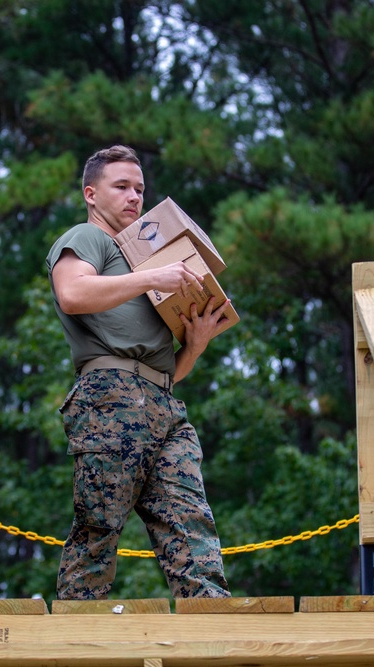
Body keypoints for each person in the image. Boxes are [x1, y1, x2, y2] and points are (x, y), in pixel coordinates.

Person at [46, 145, 231, 600]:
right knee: (100, 526)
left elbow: (169, 371)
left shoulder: (146, 260)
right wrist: (153, 278)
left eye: (140, 189)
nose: (135, 197)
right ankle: (78, 638)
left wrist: (197, 343)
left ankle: (211, 624)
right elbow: (72, 293)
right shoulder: (89, 239)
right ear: (91, 194)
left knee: (190, 522)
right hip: (109, 397)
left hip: (165, 405)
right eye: (122, 187)